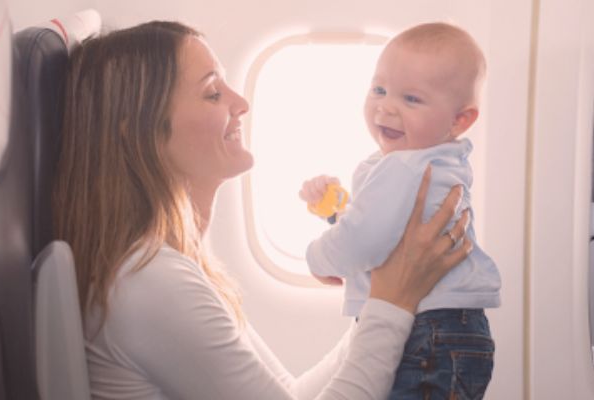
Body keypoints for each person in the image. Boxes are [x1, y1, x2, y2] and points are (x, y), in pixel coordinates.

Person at [53, 21, 474, 399]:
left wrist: (385, 295)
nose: (240, 103)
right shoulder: (149, 281)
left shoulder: (176, 264)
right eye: (213, 92)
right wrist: (393, 301)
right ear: (141, 132)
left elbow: (290, 394)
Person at [299, 22, 500, 399]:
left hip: (428, 332)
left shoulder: (402, 166)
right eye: (379, 89)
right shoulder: (433, 160)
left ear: (460, 120)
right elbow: (388, 231)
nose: (385, 107)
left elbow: (364, 242)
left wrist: (317, 258)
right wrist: (336, 211)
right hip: (452, 331)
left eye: (411, 99)